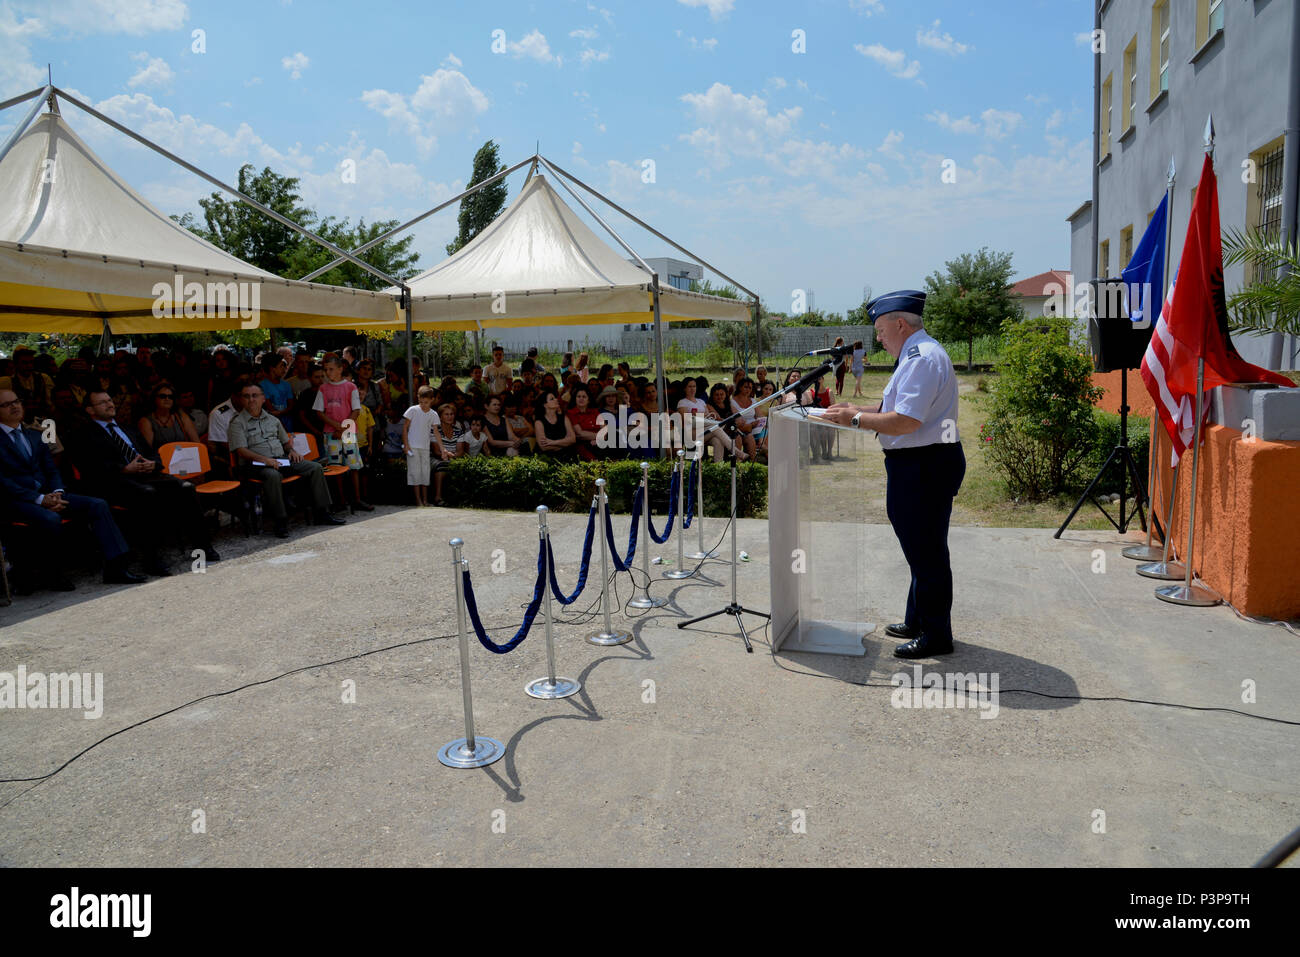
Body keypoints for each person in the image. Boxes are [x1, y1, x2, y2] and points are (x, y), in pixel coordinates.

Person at [825, 290, 964, 659]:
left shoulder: (921, 359)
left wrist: (853, 418)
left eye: (882, 331)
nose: (879, 339)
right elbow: (893, 409)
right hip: (918, 463)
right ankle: (918, 618)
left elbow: (906, 421)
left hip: (924, 465)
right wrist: (858, 409)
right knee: (920, 549)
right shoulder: (916, 354)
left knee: (927, 551)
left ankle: (936, 635)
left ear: (900, 324)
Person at [0, 389, 144, 589]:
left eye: (16, 401)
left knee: (97, 505)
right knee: (50, 518)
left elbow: (51, 470)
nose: (14, 406)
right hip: (16, 501)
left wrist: (57, 492)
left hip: (50, 495)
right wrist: (40, 499)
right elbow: (3, 482)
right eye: (6, 405)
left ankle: (116, 568)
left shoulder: (34, 434)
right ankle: (52, 575)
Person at [67, 390, 220, 575]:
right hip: (114, 481)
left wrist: (153, 463)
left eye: (110, 400)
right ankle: (151, 559)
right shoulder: (83, 434)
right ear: (90, 410)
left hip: (146, 474)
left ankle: (203, 546)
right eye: (102, 403)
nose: (109, 404)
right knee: (146, 494)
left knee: (185, 488)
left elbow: (151, 452)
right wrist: (123, 469)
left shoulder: (127, 428)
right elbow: (89, 466)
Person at [228, 383, 345, 538]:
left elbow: (285, 442)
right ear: (241, 400)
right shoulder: (237, 423)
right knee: (273, 475)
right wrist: (265, 460)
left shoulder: (272, 419)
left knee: (315, 467)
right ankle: (280, 521)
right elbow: (241, 451)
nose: (251, 399)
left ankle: (322, 513)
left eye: (255, 395)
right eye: (246, 396)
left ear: (263, 398)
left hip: (280, 460)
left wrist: (292, 451)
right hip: (254, 464)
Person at [312, 356, 373, 513]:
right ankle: (340, 500)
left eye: (331, 369)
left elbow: (356, 410)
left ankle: (357, 500)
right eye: (326, 369)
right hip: (331, 433)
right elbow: (319, 412)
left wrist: (343, 428)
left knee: (353, 465)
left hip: (348, 432)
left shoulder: (350, 387)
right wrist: (336, 427)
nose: (328, 372)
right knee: (335, 466)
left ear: (340, 369)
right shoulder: (323, 389)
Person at [137, 380, 200, 454]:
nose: (167, 399)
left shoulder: (181, 417)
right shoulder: (146, 421)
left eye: (171, 397)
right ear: (154, 399)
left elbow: (197, 444)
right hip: (160, 461)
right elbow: (146, 452)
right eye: (162, 396)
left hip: (184, 459)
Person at [402, 386, 438, 507]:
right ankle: (418, 501)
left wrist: (442, 448)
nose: (423, 404)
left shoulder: (433, 414)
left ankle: (425, 500)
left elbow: (436, 432)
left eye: (426, 402)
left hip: (425, 447)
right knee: (415, 473)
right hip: (412, 447)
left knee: (425, 473)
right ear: (418, 398)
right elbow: (405, 428)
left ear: (432, 400)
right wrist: (406, 445)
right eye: (421, 402)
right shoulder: (412, 410)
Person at [0, 348, 55, 422]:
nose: (29, 366)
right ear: (16, 364)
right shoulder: (6, 382)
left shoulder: (44, 378)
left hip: (43, 420)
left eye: (31, 362)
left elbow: (50, 403)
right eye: (24, 363)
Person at [258, 354, 294, 430]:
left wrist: (281, 412)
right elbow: (270, 409)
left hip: (288, 422)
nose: (284, 369)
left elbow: (291, 405)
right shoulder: (263, 385)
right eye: (281, 366)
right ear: (272, 368)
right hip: (271, 424)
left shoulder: (286, 385)